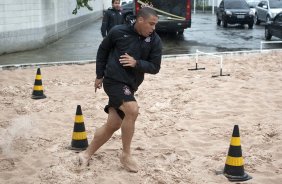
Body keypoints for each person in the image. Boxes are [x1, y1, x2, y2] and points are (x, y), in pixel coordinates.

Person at [78, 7, 162, 173]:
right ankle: (126, 154)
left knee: (113, 124)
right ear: (140, 20)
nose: (153, 28)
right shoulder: (118, 31)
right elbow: (103, 51)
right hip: (113, 80)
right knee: (132, 110)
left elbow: (155, 67)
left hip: (130, 86)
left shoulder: (155, 40)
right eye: (151, 24)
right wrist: (99, 74)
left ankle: (85, 154)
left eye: (155, 25)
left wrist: (136, 63)